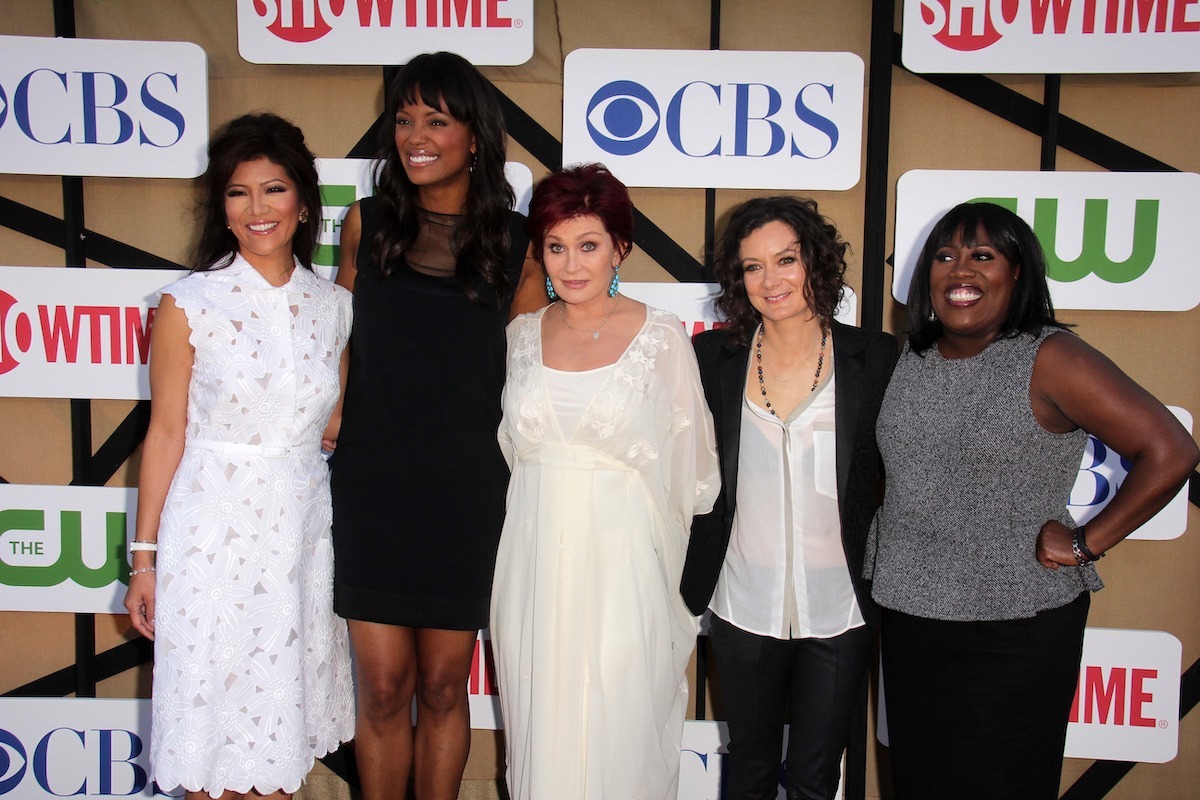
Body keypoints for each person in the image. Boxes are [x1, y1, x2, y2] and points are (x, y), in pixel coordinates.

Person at [866, 201, 1199, 800]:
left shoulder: (1049, 357)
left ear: (1017, 272)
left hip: (1013, 626)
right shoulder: (911, 357)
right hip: (912, 618)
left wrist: (1086, 542)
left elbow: (1170, 450)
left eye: (982, 255)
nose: (960, 270)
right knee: (919, 783)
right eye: (944, 256)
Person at [122, 112, 355, 799]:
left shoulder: (334, 308)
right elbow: (165, 433)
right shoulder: (188, 303)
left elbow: (334, 423)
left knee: (278, 740)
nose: (258, 208)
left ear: (303, 201)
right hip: (212, 542)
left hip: (299, 541)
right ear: (221, 208)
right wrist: (144, 560)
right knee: (209, 747)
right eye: (238, 192)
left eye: (274, 189)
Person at [329, 51, 543, 800]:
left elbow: (532, 382)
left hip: (468, 494)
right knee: (384, 688)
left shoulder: (520, 244)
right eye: (403, 119)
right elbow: (337, 344)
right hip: (373, 487)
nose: (414, 136)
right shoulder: (368, 224)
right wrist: (330, 413)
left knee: (447, 688)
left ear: (475, 136)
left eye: (436, 120)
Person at [489, 163, 720, 800]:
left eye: (588, 245)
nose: (571, 264)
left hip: (624, 573)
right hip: (531, 568)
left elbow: (694, 475)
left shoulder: (661, 336)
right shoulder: (521, 337)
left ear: (620, 247)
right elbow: (514, 457)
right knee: (540, 731)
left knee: (617, 733)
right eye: (555, 246)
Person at [679, 196, 898, 800]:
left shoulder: (876, 357)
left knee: (815, 778)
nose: (770, 280)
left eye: (785, 260)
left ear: (815, 262)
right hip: (742, 598)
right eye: (752, 266)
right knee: (749, 771)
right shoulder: (711, 359)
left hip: (842, 603)